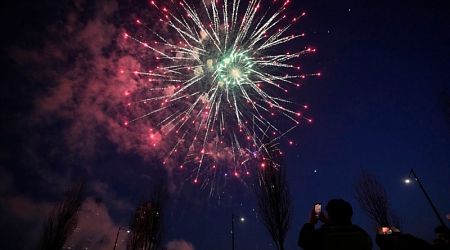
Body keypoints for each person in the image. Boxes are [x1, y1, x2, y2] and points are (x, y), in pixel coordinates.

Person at [298, 199, 372, 250]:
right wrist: (328, 223)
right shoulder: (363, 235)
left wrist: (311, 223)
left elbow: (304, 242)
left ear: (330, 215)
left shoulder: (322, 235)